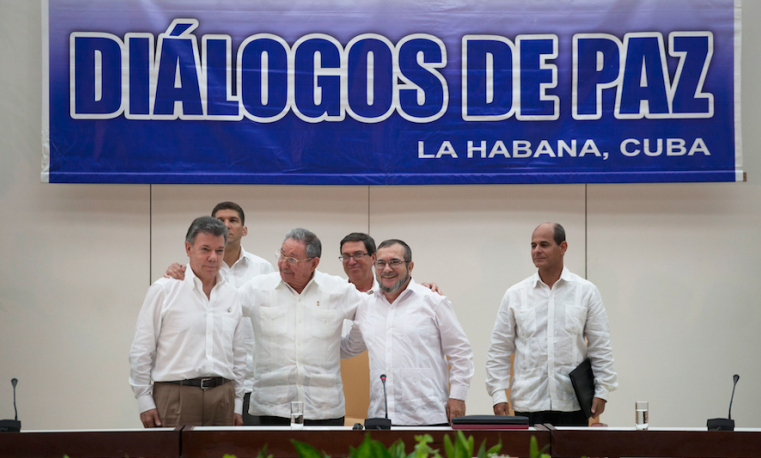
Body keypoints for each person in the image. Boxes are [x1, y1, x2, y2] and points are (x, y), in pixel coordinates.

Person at [485, 222, 617, 426]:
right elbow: (499, 349)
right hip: (527, 403)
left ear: (562, 247)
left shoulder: (586, 292)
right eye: (533, 245)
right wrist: (498, 394)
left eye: (544, 245)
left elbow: (600, 345)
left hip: (573, 404)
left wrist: (603, 389)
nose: (537, 250)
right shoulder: (515, 294)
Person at [238, 228, 368, 426]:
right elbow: (220, 307)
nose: (283, 263)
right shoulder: (257, 288)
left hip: (324, 409)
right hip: (272, 407)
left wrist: (343, 348)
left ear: (313, 263)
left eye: (293, 259)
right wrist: (181, 279)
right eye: (282, 254)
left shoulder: (336, 290)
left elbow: (373, 311)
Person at [129, 216, 247, 427]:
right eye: (205, 249)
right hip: (176, 394)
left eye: (219, 250)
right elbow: (142, 349)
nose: (213, 257)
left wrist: (238, 402)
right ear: (188, 248)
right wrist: (144, 400)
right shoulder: (164, 289)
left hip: (223, 397)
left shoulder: (232, 295)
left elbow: (238, 354)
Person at [341, 239, 474, 426]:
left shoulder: (433, 302)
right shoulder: (365, 306)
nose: (387, 269)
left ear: (410, 266)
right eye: (381, 263)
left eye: (395, 262)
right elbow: (350, 347)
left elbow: (460, 351)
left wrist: (458, 397)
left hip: (428, 418)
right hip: (381, 419)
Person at [164, 202, 273, 425]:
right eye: (220, 220)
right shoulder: (192, 270)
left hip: (256, 380)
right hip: (211, 380)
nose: (226, 225)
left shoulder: (263, 269)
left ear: (244, 230)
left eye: (233, 220)